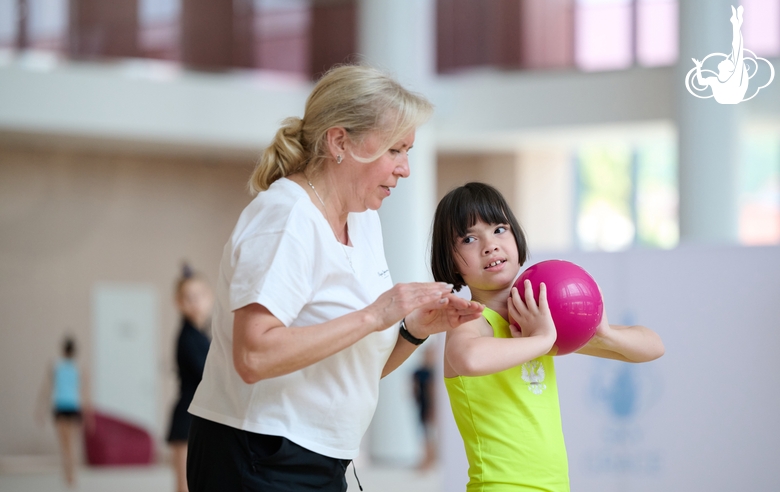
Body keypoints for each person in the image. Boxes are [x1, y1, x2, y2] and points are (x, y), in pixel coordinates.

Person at [186, 64, 484, 492]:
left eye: (408, 152)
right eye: (395, 151)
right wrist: (375, 314)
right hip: (257, 453)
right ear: (340, 141)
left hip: (321, 457)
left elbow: (356, 365)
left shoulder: (362, 222)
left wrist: (414, 330)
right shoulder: (287, 218)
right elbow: (253, 357)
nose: (405, 169)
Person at [430, 182, 665, 492]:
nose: (490, 245)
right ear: (451, 260)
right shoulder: (470, 320)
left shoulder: (537, 320)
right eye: (470, 239)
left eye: (500, 229)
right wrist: (542, 339)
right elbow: (468, 359)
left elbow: (652, 346)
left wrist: (603, 334)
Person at [166, 264, 213, 492]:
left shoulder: (202, 335)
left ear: (210, 297)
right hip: (187, 418)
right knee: (184, 486)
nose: (195, 302)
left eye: (199, 296)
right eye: (188, 297)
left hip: (197, 416)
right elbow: (207, 374)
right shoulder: (188, 338)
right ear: (179, 302)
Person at [35, 336, 93, 488]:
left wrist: (40, 409)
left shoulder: (55, 366)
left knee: (64, 445)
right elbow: (85, 394)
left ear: (63, 350)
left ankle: (68, 474)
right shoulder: (79, 368)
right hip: (73, 408)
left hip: (61, 408)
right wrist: (88, 416)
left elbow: (46, 389)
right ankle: (71, 475)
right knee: (72, 444)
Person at [692, 5, 748, 104]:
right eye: (728, 60)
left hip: (731, 99)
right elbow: (701, 82)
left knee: (736, 50)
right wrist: (698, 67)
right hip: (727, 100)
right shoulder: (715, 80)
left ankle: (736, 23)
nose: (725, 59)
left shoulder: (734, 78)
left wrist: (736, 26)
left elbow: (737, 48)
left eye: (728, 61)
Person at [412, 344, 437, 471]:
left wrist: (433, 408)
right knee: (425, 434)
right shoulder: (419, 372)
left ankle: (430, 460)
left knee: (431, 434)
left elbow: (433, 391)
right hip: (422, 405)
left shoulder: (433, 372)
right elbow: (414, 389)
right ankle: (426, 459)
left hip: (430, 406)